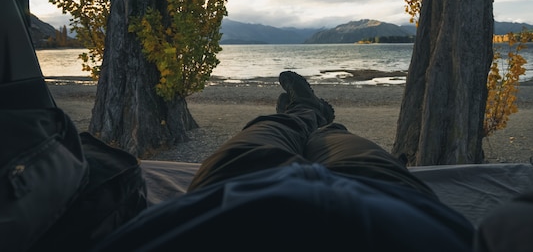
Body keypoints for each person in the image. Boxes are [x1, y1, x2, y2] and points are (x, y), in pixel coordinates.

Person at [92, 71, 474, 251]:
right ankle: (319, 120)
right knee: (335, 140)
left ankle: (304, 112)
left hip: (232, 199)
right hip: (393, 207)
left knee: (268, 130)